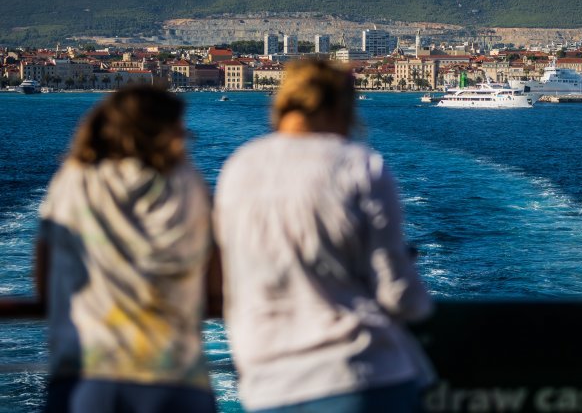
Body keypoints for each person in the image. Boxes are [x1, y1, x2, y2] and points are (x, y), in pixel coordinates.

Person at [214, 59, 433, 413]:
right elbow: (397, 293)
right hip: (360, 377)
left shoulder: (238, 168)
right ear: (343, 106)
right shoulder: (360, 165)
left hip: (269, 385)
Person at [35, 85, 218, 413]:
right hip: (176, 381)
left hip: (86, 378)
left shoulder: (73, 181)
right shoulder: (187, 183)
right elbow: (215, 280)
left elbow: (44, 277)